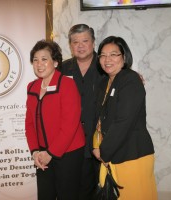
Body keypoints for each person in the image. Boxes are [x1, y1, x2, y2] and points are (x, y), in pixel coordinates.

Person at [92, 36, 157, 200]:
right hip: (111, 154)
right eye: (103, 55)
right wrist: (96, 146)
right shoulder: (104, 83)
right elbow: (100, 121)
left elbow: (124, 121)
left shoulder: (130, 80)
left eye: (113, 54)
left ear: (124, 57)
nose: (107, 59)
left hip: (132, 154)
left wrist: (103, 151)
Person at [25, 40, 85, 200]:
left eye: (44, 59)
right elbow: (29, 123)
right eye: (35, 60)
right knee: (45, 195)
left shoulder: (67, 84)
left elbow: (70, 125)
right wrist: (35, 151)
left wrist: (51, 153)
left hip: (68, 154)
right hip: (42, 154)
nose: (39, 64)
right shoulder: (32, 87)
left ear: (56, 62)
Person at [60, 24, 106, 200]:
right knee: (74, 190)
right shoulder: (62, 70)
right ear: (70, 46)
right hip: (71, 143)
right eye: (75, 42)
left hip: (101, 142)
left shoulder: (106, 66)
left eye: (85, 41)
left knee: (101, 190)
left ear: (93, 43)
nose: (80, 46)